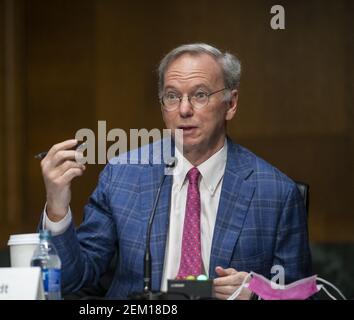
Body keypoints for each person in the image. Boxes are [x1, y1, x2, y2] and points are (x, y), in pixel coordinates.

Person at [38, 43, 312, 299]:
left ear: (231, 103)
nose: (183, 109)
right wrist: (57, 207)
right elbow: (75, 280)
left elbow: (299, 293)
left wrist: (257, 294)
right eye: (172, 96)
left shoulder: (276, 193)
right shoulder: (122, 176)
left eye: (200, 95)